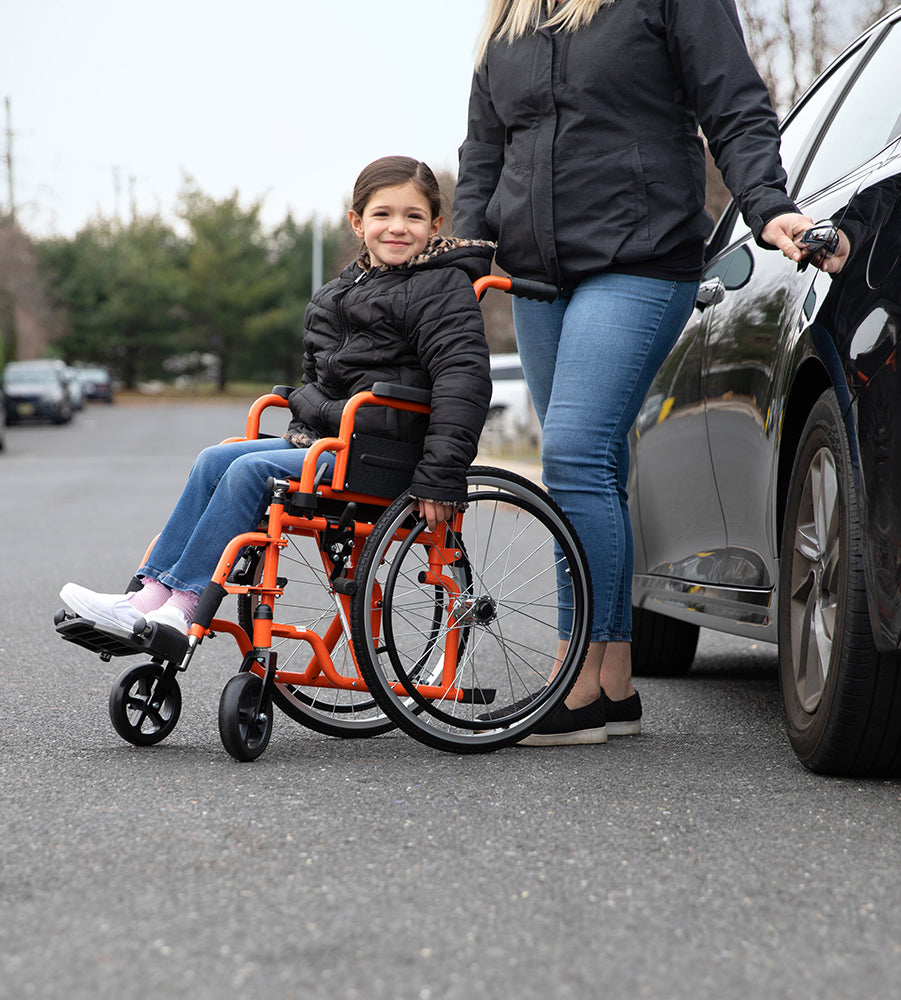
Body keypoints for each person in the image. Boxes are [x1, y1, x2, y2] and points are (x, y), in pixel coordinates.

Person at [454, 0, 843, 746]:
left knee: (573, 454)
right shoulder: (508, 17)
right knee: (593, 465)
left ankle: (572, 678)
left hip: (640, 255)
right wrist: (466, 256)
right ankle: (614, 682)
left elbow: (733, 101)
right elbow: (483, 151)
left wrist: (766, 204)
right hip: (536, 275)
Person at [60, 156, 494, 638]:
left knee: (251, 470)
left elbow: (463, 379)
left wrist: (440, 475)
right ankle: (146, 597)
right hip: (332, 444)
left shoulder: (441, 287)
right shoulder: (335, 294)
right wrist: (308, 419)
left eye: (413, 216)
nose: (397, 227)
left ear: (435, 225)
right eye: (382, 214)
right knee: (213, 459)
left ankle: (183, 606)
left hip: (387, 453)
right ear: (357, 222)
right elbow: (317, 374)